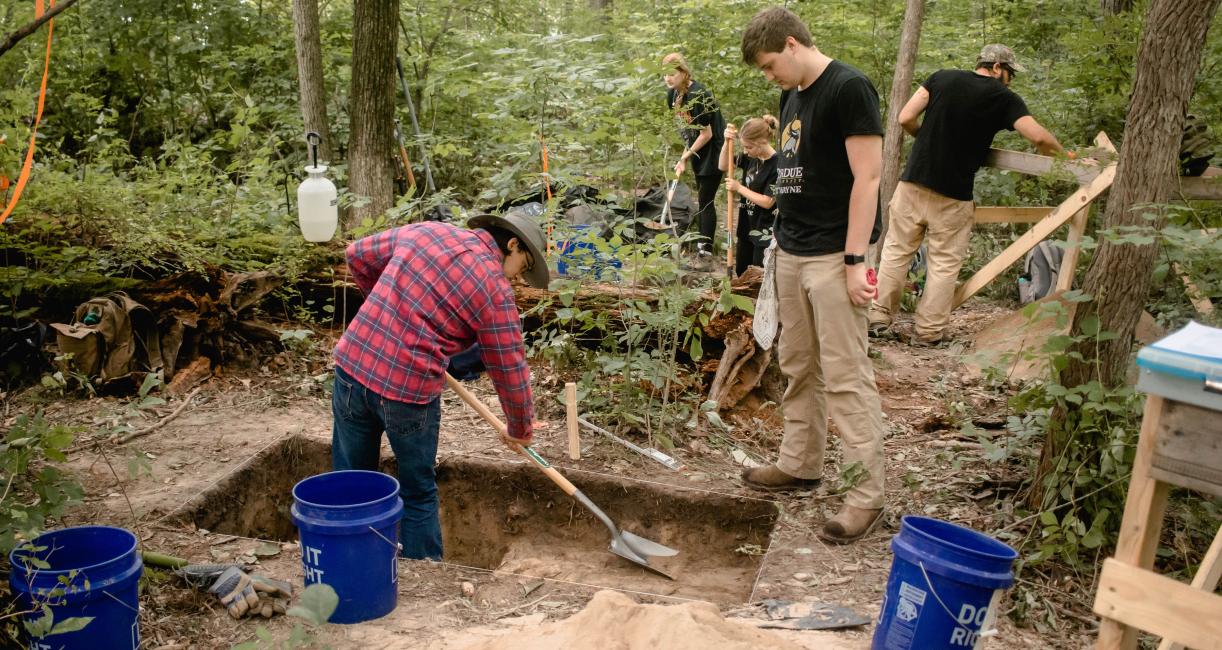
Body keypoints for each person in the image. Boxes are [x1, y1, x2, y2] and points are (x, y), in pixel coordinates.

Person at [738, 7, 886, 544]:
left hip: (834, 254)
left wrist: (854, 260)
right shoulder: (792, 94)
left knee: (846, 375)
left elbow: (868, 179)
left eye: (771, 64)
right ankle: (800, 463)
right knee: (798, 365)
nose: (769, 75)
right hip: (793, 249)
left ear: (795, 44)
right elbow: (796, 176)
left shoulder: (850, 89)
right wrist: (779, 239)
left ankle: (865, 497)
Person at [331, 214, 548, 560]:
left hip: (353, 366)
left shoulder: (427, 232)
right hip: (408, 391)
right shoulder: (493, 288)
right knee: (417, 492)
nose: (520, 276)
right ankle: (425, 578)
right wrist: (519, 429)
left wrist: (386, 310)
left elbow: (357, 254)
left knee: (350, 480)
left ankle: (348, 561)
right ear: (512, 244)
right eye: (524, 264)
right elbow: (509, 366)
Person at [867, 44, 1065, 346]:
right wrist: (1069, 155)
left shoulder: (941, 78)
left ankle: (878, 318)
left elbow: (905, 117)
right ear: (997, 67)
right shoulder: (1003, 98)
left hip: (913, 183)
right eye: (1010, 73)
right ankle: (929, 332)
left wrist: (928, 139)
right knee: (944, 263)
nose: (1010, 80)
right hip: (954, 193)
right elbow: (1037, 136)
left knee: (896, 252)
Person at [664, 52, 726, 258]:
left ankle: (705, 252)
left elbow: (706, 133)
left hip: (715, 150)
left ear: (683, 72)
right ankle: (701, 244)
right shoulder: (673, 96)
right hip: (698, 149)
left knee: (705, 200)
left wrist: (684, 157)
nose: (668, 78)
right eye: (664, 74)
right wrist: (684, 158)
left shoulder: (699, 94)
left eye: (672, 73)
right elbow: (689, 132)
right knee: (702, 198)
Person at [719, 115, 780, 275]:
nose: (745, 151)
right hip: (746, 224)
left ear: (762, 142)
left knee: (758, 275)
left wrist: (738, 187)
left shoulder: (777, 164)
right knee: (742, 272)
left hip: (765, 230)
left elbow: (768, 201)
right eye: (744, 147)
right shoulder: (751, 158)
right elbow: (723, 165)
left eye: (749, 147)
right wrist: (726, 143)